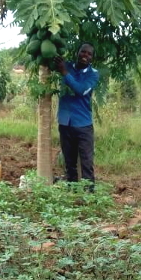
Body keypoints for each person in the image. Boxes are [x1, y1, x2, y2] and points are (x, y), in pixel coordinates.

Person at [57, 43, 101, 187]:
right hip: (65, 122)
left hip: (83, 125)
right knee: (69, 162)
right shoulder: (67, 65)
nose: (85, 56)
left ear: (92, 58)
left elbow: (81, 90)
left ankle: (89, 193)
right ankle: (71, 190)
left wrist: (65, 73)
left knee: (87, 162)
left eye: (89, 54)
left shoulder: (93, 74)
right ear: (77, 52)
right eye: (83, 52)